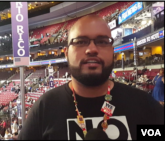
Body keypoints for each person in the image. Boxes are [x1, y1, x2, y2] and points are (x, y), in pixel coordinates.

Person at [18, 15, 164, 140]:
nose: (92, 49)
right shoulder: (44, 109)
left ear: (112, 51)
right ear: (66, 53)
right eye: (81, 42)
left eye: (102, 41)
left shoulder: (145, 106)